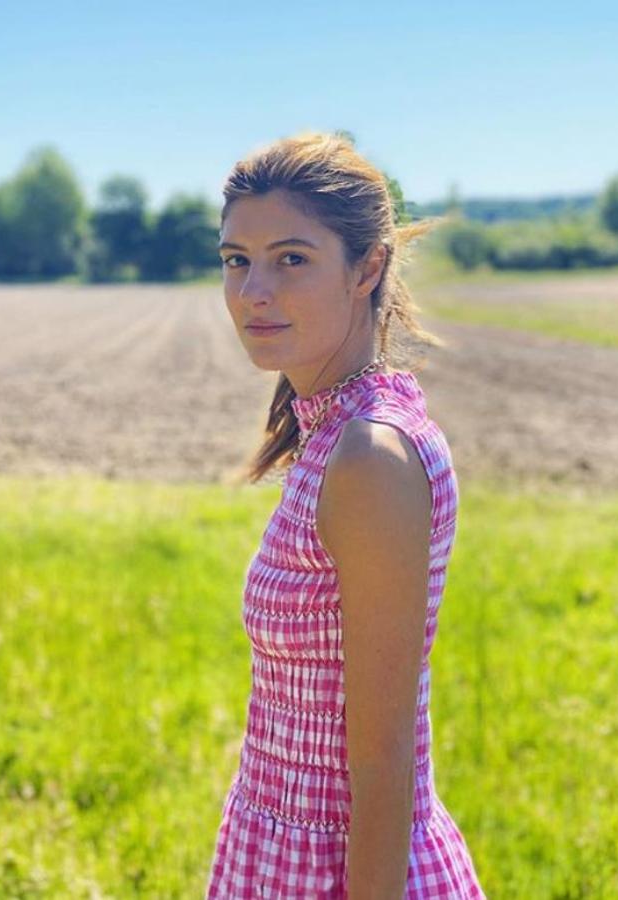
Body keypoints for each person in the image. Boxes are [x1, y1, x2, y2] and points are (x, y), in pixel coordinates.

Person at [205, 131, 486, 899]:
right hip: (275, 844)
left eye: (290, 258)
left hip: (337, 871)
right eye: (237, 259)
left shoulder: (368, 457)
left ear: (367, 268)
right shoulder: (333, 430)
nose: (252, 290)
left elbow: (383, 758)